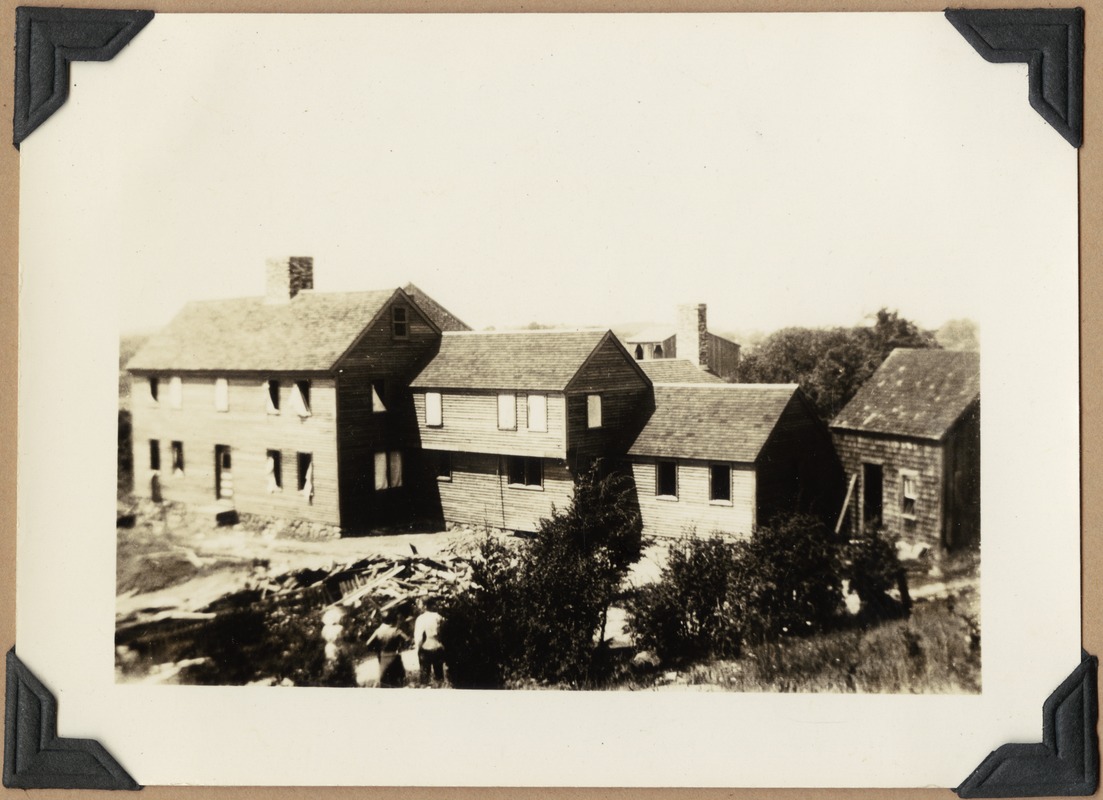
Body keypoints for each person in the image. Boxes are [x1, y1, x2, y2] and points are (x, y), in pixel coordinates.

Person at [365, 608, 409, 688]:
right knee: (397, 682)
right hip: (395, 657)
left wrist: (377, 648)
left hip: (383, 658)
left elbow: (368, 643)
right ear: (392, 620)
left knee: (384, 682)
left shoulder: (378, 631)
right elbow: (407, 639)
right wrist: (401, 646)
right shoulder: (396, 630)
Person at [413, 597, 445, 686]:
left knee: (424, 678)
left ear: (425, 606)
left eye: (420, 604)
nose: (419, 606)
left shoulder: (420, 619)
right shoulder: (438, 616)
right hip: (437, 648)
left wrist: (418, 649)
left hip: (425, 649)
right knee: (439, 676)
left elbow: (418, 637)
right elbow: (442, 633)